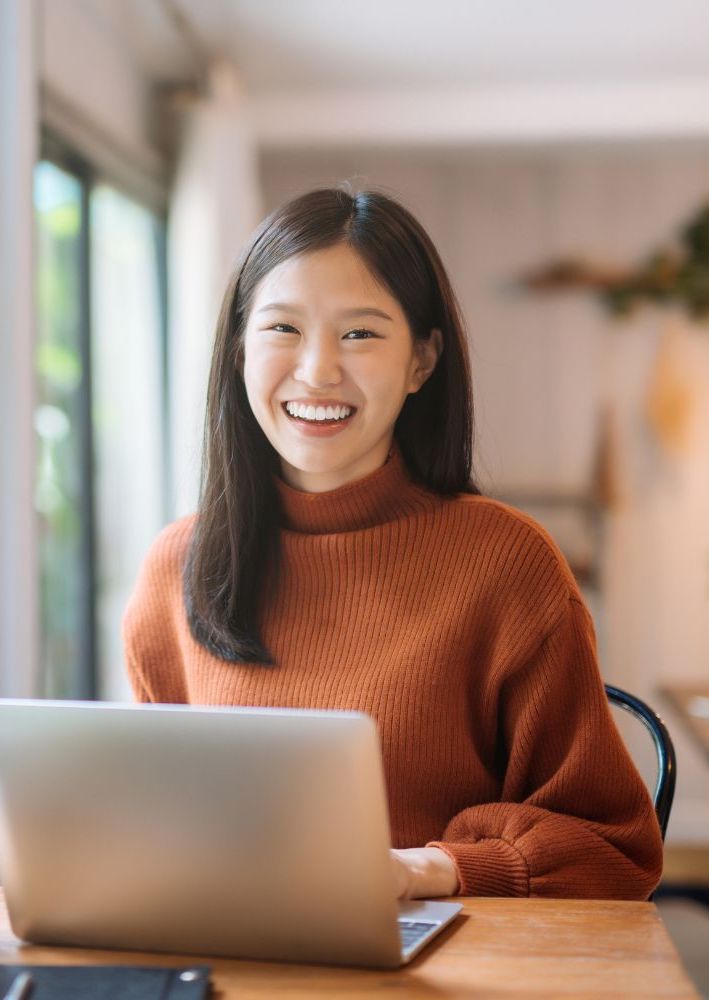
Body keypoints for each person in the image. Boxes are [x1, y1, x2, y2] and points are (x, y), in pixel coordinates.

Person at [122, 185, 663, 902]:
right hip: (229, 948)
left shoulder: (505, 563)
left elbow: (614, 847)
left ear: (421, 361)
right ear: (237, 350)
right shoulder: (176, 566)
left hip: (439, 962)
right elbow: (148, 816)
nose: (317, 371)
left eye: (360, 334)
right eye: (282, 329)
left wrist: (430, 869)